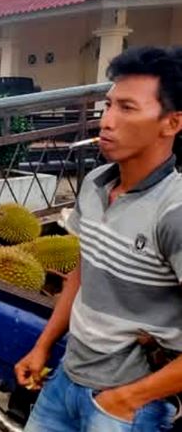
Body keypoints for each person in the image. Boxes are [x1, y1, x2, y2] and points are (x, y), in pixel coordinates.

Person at [16, 46, 182, 431]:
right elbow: (83, 272)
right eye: (108, 105)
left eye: (127, 108)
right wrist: (42, 347)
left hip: (127, 405)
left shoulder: (174, 212)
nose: (107, 121)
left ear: (171, 123)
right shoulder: (93, 184)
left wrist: (127, 399)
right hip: (65, 382)